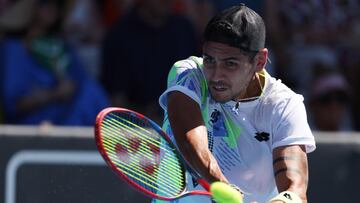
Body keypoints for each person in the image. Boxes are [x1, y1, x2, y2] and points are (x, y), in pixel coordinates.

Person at [156, 4, 316, 203]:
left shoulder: (284, 106)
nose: (215, 75)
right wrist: (223, 188)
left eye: (230, 63)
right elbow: (190, 141)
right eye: (210, 60)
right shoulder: (189, 75)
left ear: (259, 61)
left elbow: (295, 190)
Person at [0, 0, 109, 125]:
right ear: (29, 10)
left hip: (69, 118)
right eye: (45, 3)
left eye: (57, 4)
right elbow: (14, 104)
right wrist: (54, 94)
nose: (52, 8)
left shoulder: (61, 46)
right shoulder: (14, 48)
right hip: (32, 125)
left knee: (90, 90)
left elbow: (81, 81)